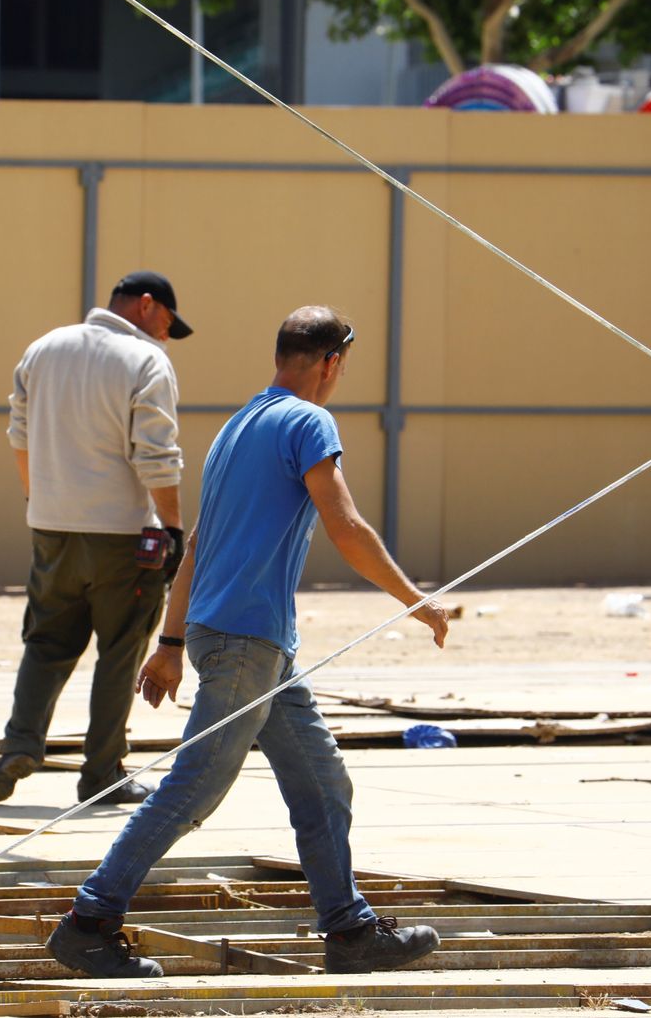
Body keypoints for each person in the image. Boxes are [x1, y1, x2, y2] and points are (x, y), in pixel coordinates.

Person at [45, 306, 449, 977]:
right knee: (193, 788)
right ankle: (89, 921)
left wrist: (173, 641)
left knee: (322, 785)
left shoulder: (239, 426)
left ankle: (348, 932)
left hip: (245, 643)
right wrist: (418, 602)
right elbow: (345, 525)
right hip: (245, 642)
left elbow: (197, 545)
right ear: (331, 363)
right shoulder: (308, 421)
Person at [0, 271, 193, 806]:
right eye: (168, 322)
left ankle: (18, 747)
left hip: (52, 528)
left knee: (47, 643)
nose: (166, 336)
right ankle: (101, 773)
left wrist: (40, 502)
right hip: (123, 537)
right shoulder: (145, 361)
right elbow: (157, 456)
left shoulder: (44, 348)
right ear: (147, 306)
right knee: (120, 651)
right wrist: (172, 529)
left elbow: (19, 435)